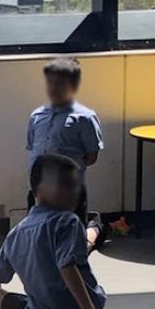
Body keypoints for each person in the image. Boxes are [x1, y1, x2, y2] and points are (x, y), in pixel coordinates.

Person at [0, 153, 106, 309]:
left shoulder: (17, 233)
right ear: (42, 188)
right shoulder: (68, 221)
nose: (75, 191)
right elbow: (67, 265)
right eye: (66, 184)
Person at [26, 56, 104, 234]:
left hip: (69, 191)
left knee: (70, 239)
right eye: (51, 82)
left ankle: (93, 231)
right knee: (37, 235)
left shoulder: (85, 118)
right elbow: (33, 148)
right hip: (39, 189)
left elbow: (91, 156)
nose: (54, 88)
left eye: (60, 83)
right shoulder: (37, 116)